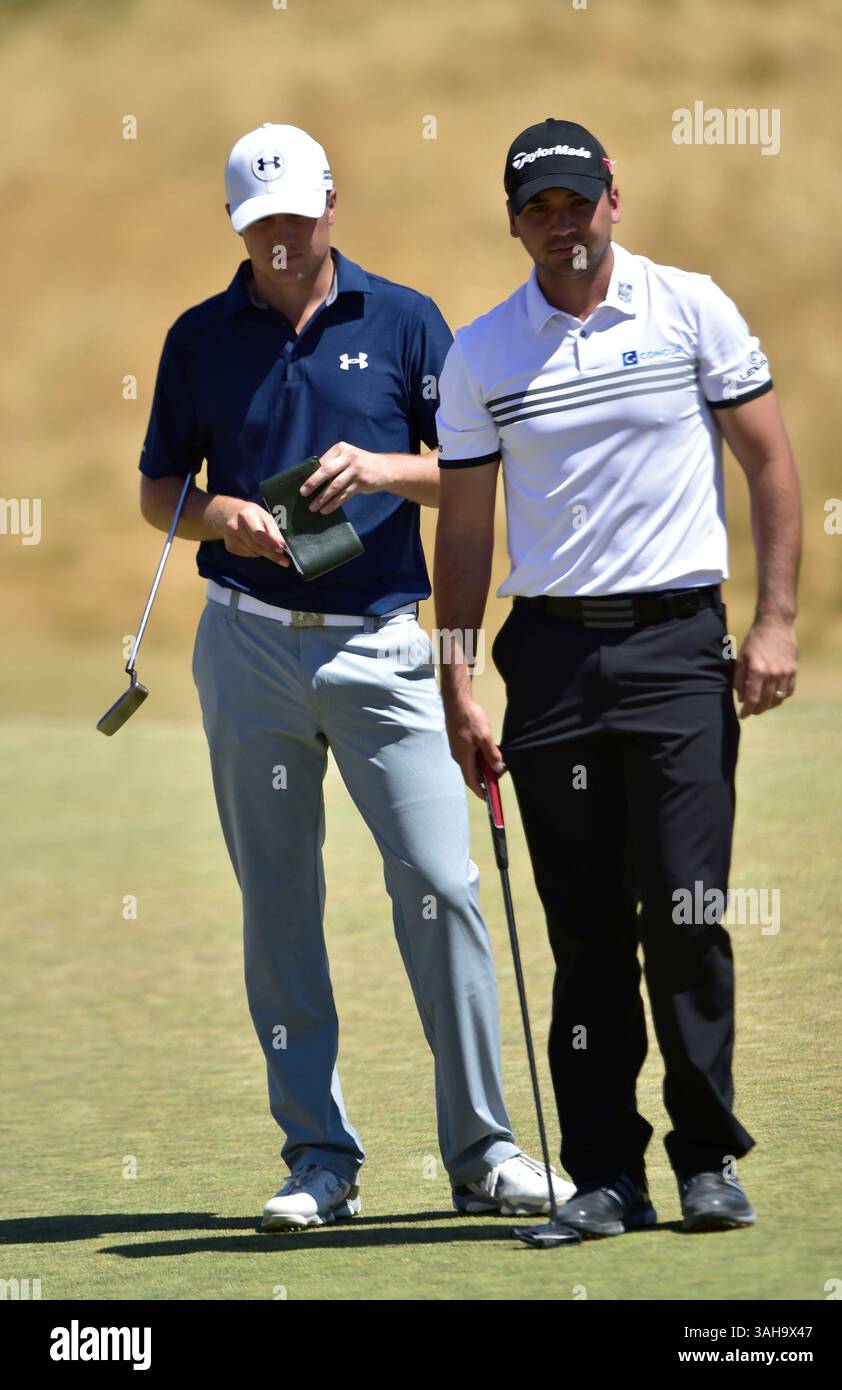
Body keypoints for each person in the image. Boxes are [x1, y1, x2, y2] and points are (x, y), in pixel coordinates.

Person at [138, 122, 573, 1231]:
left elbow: (468, 474)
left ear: (332, 203)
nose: (282, 240)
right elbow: (158, 495)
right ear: (238, 226)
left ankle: (482, 1150)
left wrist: (382, 467)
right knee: (278, 907)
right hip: (246, 646)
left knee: (440, 885)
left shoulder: (407, 321)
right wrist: (217, 517)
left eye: (297, 216)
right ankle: (319, 1159)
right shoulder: (199, 337)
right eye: (260, 224)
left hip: (381, 644)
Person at [433, 117, 801, 1237]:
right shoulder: (481, 352)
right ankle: (603, 1173)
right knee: (585, 928)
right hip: (548, 660)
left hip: (675, 647)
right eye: (535, 208)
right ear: (513, 221)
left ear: (612, 199)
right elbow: (460, 533)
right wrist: (456, 682)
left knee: (684, 908)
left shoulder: (690, 307)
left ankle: (704, 1157)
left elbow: (771, 462)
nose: (559, 225)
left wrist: (773, 621)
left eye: (574, 202)